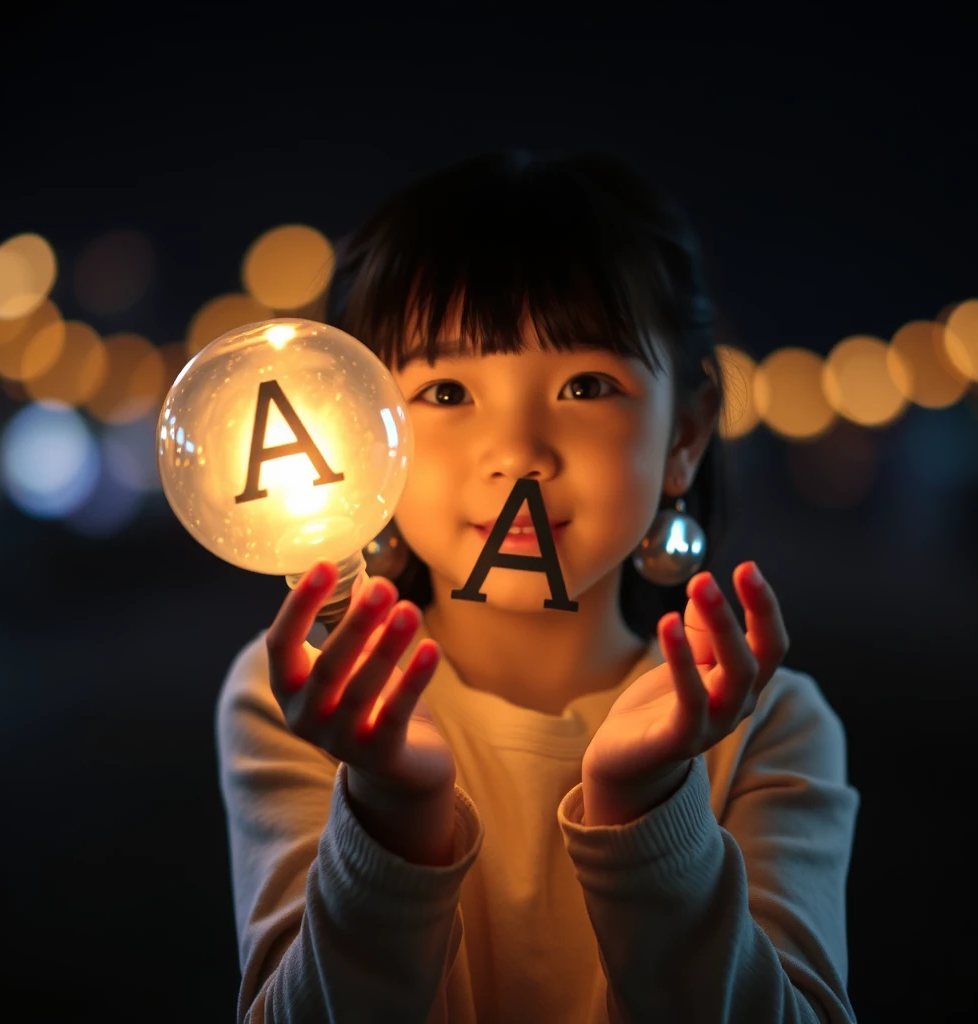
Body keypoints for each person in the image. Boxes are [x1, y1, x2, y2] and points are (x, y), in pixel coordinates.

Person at [216, 149, 860, 1023]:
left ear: (687, 433)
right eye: (445, 390)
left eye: (586, 385)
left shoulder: (765, 726)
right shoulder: (305, 695)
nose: (518, 451)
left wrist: (647, 810)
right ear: (360, 435)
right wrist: (386, 811)